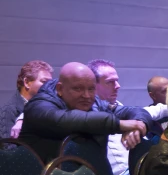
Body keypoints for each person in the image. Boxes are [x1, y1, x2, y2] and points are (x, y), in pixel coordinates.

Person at [18, 62, 151, 164]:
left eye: (91, 89)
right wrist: (119, 125)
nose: (86, 96)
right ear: (60, 89)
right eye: (78, 89)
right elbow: (65, 120)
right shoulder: (39, 105)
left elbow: (134, 111)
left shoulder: (95, 102)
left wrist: (138, 125)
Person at [87, 59, 168, 175]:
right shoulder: (88, 112)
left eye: (117, 80)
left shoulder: (118, 107)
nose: (117, 86)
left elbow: (152, 111)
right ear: (93, 85)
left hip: (134, 170)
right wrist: (128, 126)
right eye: (110, 82)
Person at [0, 60, 52, 140]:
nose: (49, 87)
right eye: (44, 82)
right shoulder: (8, 111)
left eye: (50, 83)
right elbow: (8, 150)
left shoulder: (47, 106)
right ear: (27, 82)